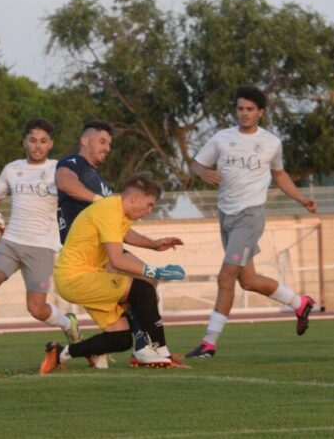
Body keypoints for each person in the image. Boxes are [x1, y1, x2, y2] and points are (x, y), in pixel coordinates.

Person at [185, 85, 318, 360]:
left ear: (261, 112)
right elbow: (196, 164)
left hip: (250, 216)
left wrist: (301, 199)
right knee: (249, 280)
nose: (243, 114)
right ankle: (299, 302)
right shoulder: (222, 138)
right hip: (226, 215)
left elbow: (280, 176)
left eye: (249, 109)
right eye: (239, 109)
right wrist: (204, 172)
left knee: (226, 277)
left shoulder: (271, 143)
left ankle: (209, 343)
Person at [0, 118, 81, 370]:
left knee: (36, 309)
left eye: (43, 141)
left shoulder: (58, 170)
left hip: (41, 247)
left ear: (50, 144)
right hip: (10, 242)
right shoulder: (12, 169)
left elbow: (73, 196)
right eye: (32, 140)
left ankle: (67, 323)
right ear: (24, 142)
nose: (37, 146)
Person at [39, 172, 186, 373]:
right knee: (143, 288)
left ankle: (62, 353)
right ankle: (157, 350)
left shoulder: (115, 210)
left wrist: (153, 244)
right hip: (77, 278)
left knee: (120, 338)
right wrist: (156, 271)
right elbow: (117, 260)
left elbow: (125, 234)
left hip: (81, 279)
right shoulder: (110, 211)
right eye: (150, 204)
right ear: (134, 198)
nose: (150, 210)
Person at [55, 120, 163, 366]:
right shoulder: (73, 164)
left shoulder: (100, 180)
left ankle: (123, 347)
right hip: (88, 252)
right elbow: (64, 182)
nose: (107, 148)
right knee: (143, 285)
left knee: (142, 289)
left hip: (102, 249)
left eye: (110, 144)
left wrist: (152, 244)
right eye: (102, 142)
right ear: (85, 140)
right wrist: (97, 200)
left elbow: (121, 230)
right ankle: (145, 349)